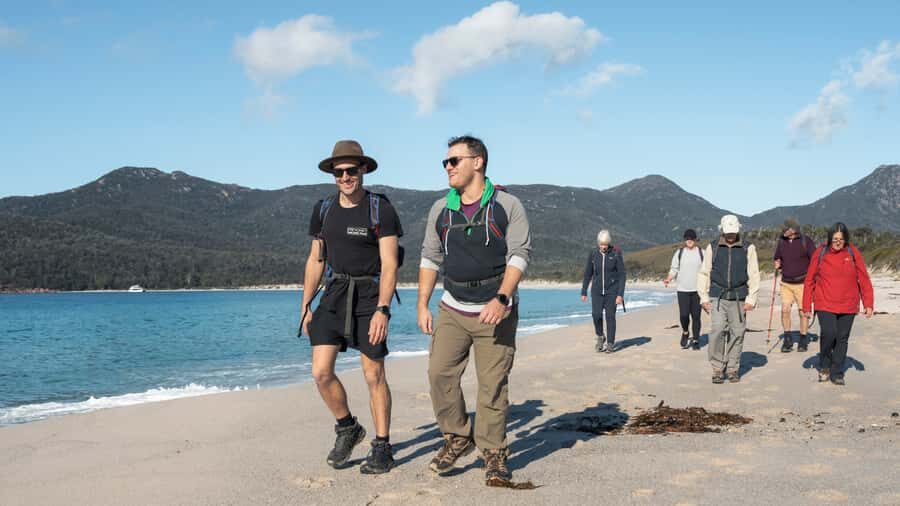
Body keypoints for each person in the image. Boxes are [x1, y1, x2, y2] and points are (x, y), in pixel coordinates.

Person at [417, 135, 532, 486]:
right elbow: (430, 258)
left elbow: (519, 255)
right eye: (446, 162)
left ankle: (493, 452)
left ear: (478, 162)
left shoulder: (507, 205)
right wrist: (422, 303)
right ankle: (457, 436)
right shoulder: (440, 209)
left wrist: (502, 298)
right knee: (439, 373)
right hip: (453, 307)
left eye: (454, 161)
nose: (448, 167)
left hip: (495, 309)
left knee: (492, 385)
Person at [300, 140, 403, 474]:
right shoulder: (323, 209)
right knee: (321, 372)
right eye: (339, 172)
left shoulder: (380, 208)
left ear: (363, 170)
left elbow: (390, 264)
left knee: (373, 374)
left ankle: (382, 446)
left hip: (370, 295)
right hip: (334, 294)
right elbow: (316, 260)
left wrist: (383, 309)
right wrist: (305, 305)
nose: (345, 177)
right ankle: (348, 428)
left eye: (351, 171)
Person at [802, 222, 874, 385]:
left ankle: (837, 371)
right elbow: (809, 280)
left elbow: (863, 278)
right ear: (829, 238)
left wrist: (868, 303)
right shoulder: (820, 252)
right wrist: (806, 305)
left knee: (842, 338)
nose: (838, 242)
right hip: (824, 302)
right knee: (829, 333)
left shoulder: (853, 252)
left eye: (841, 239)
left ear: (845, 239)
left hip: (848, 304)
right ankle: (824, 365)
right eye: (835, 239)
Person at [697, 215, 760, 384]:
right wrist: (703, 297)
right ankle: (717, 368)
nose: (730, 235)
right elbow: (704, 273)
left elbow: (754, 274)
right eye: (728, 232)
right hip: (717, 296)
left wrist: (752, 298)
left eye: (733, 232)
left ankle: (732, 368)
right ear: (722, 231)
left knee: (737, 333)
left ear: (738, 230)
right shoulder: (713, 247)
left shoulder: (748, 248)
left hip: (739, 297)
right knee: (717, 330)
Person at [773, 219, 816, 352]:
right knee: (785, 310)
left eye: (785, 229)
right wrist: (777, 263)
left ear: (793, 229)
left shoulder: (806, 241)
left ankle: (803, 339)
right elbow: (777, 257)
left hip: (802, 283)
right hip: (786, 283)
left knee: (803, 312)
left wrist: (814, 280)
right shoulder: (781, 241)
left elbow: (814, 260)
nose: (783, 231)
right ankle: (787, 339)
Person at [581, 230, 626, 353]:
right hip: (596, 292)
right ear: (598, 243)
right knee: (596, 315)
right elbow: (588, 273)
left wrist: (620, 294)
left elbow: (622, 275)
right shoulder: (593, 254)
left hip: (612, 291)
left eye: (605, 244)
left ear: (609, 243)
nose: (604, 247)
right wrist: (584, 291)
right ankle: (600, 336)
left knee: (610, 317)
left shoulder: (615, 253)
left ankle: (610, 343)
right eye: (601, 244)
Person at [664, 228, 703, 350]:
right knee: (684, 315)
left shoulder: (702, 253)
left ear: (695, 239)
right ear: (685, 240)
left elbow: (707, 270)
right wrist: (669, 278)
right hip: (682, 290)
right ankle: (685, 332)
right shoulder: (679, 253)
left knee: (696, 316)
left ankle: (696, 340)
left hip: (698, 290)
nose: (689, 240)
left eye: (691, 238)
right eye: (687, 238)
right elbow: (674, 269)